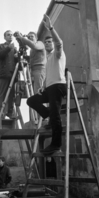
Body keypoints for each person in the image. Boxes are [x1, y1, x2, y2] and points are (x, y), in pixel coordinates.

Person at [27, 14, 67, 154]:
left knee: (56, 117)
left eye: (50, 42)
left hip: (58, 86)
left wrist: (50, 28)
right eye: (47, 42)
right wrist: (42, 87)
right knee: (31, 101)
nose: (49, 44)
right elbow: (48, 74)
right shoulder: (48, 57)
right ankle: (48, 114)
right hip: (49, 87)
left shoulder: (58, 53)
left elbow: (59, 43)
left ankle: (56, 144)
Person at [0, 30, 18, 118]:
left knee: (12, 95)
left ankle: (10, 112)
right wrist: (8, 48)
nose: (10, 36)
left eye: (11, 35)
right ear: (4, 37)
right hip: (4, 74)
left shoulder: (15, 49)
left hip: (12, 74)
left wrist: (17, 57)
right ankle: (1, 113)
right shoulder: (0, 46)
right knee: (2, 94)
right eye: (8, 35)